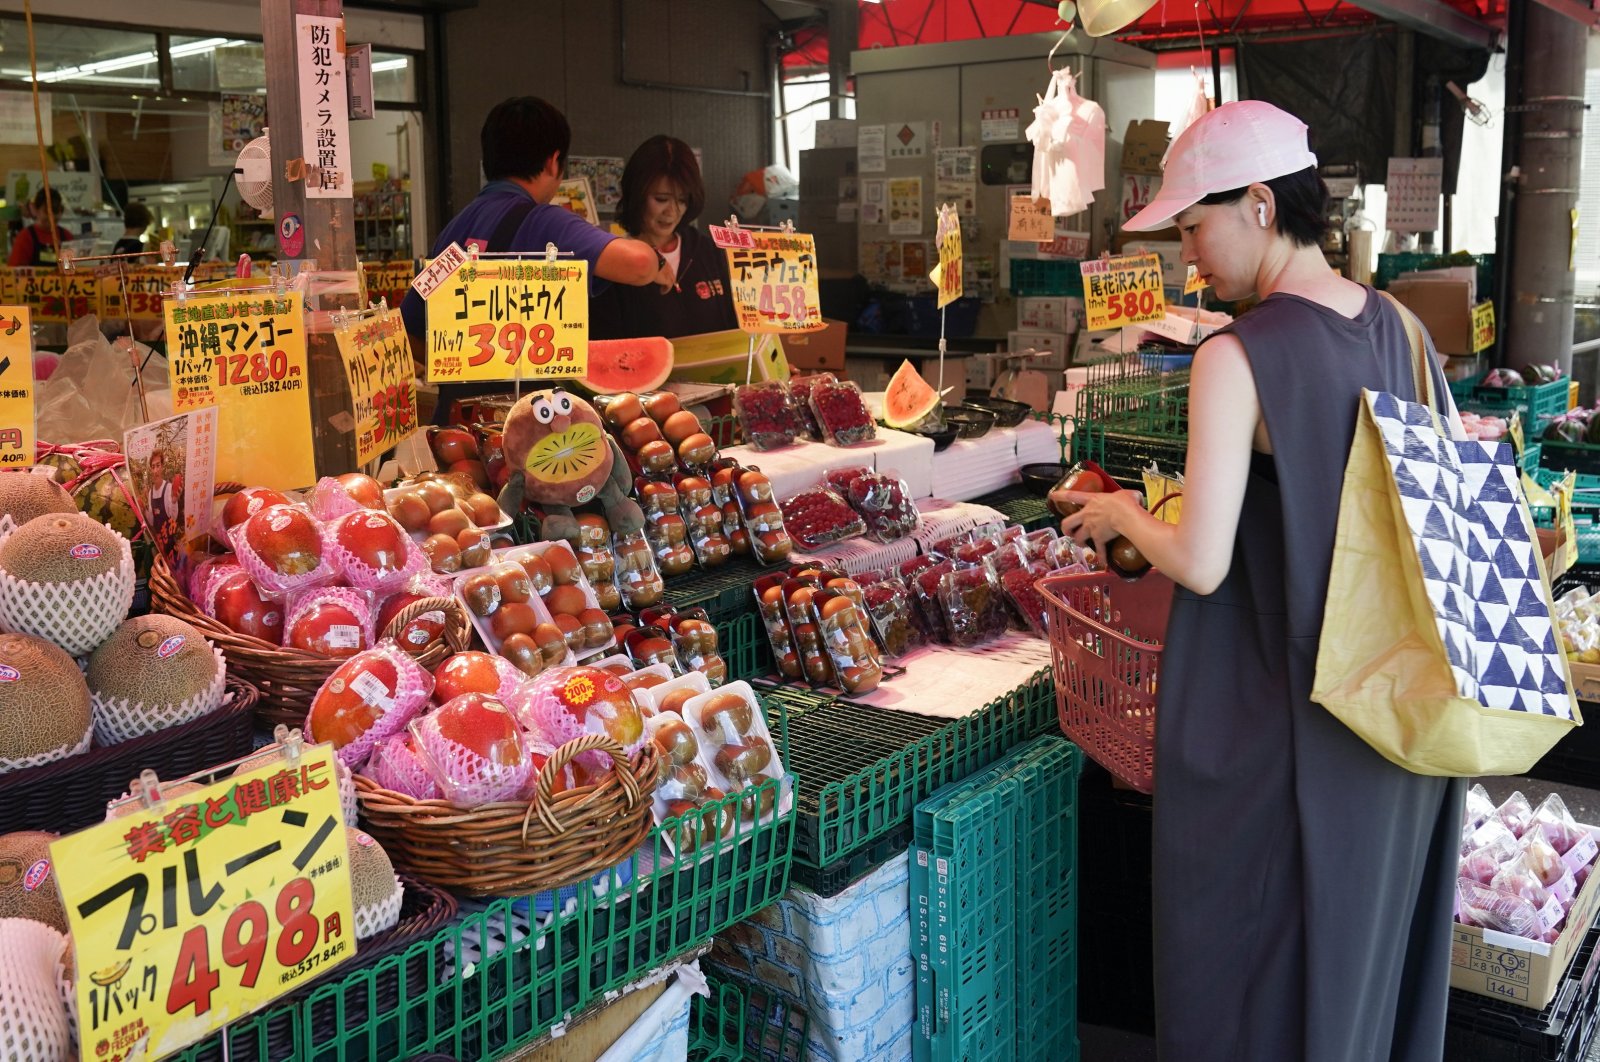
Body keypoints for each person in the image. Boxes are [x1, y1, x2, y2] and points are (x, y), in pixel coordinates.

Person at [1056, 101, 1465, 1062]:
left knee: (1247, 975)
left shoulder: (1233, 356)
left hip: (1282, 727)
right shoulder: (1403, 327)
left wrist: (1121, 516)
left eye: (1195, 227)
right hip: (1400, 718)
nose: (1189, 256)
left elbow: (1202, 559)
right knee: (1360, 972)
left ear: (1258, 204)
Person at [401, 96, 670, 423]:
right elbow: (638, 264)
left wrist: (467, 365)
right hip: (530, 429)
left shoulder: (455, 228)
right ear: (554, 162)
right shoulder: (545, 221)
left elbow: (408, 331)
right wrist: (659, 262)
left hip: (456, 430)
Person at [591, 135, 737, 340]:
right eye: (661, 199)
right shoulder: (615, 263)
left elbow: (738, 326)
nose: (672, 211)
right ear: (637, 194)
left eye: (682, 200)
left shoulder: (709, 252)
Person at [9, 187, 71, 267]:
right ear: (36, 210)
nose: (51, 216)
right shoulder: (25, 237)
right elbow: (14, 272)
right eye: (47, 211)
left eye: (55, 211)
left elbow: (71, 269)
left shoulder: (67, 236)